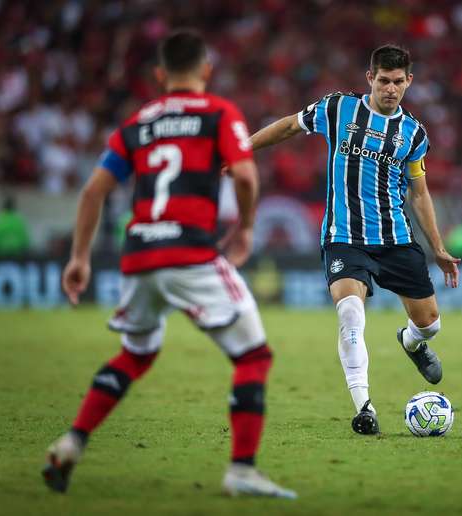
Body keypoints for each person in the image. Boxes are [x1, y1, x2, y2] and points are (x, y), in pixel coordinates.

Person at [42, 30, 296, 499]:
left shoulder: (137, 123)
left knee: (135, 354)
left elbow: (93, 190)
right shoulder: (220, 113)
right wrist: (243, 228)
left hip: (138, 255)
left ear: (159, 75)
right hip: (191, 252)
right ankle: (242, 469)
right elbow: (244, 173)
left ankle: (71, 443)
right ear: (205, 70)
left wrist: (79, 257)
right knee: (254, 356)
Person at [250, 44, 460, 435]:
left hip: (396, 239)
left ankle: (412, 342)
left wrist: (439, 247)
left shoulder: (412, 133)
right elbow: (289, 126)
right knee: (349, 313)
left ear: (409, 81)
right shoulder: (337, 108)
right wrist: (243, 148)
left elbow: (419, 192)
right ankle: (364, 407)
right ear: (370, 78)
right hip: (344, 237)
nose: (391, 89)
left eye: (398, 82)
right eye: (383, 80)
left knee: (430, 325)